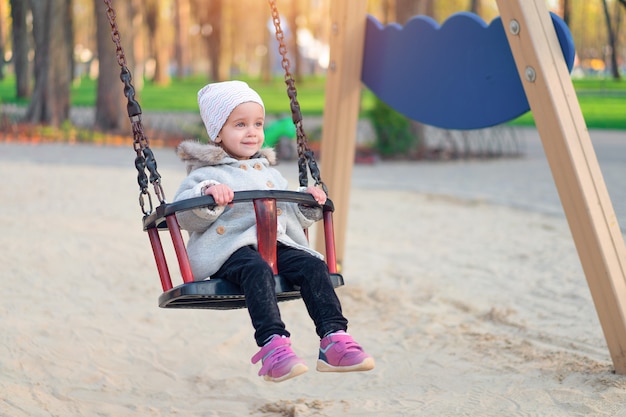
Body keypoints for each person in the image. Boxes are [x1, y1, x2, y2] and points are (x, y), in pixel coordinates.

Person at [173, 81, 375, 383]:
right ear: (217, 133)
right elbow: (184, 212)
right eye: (240, 124)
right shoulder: (205, 174)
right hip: (231, 251)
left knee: (312, 264)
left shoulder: (270, 173)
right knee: (256, 271)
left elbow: (291, 215)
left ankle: (334, 338)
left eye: (257, 123)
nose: (252, 131)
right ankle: (273, 347)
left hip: (276, 245)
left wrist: (308, 202)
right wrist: (209, 193)